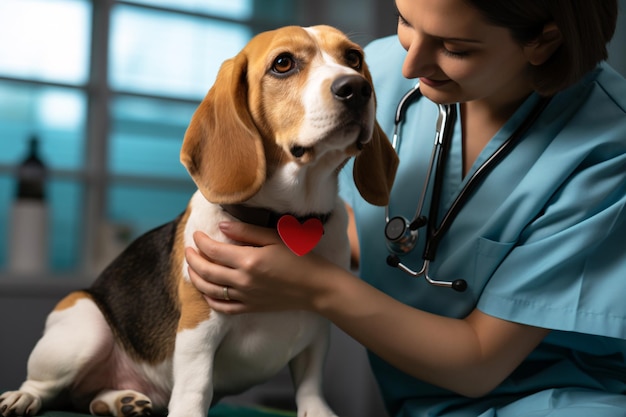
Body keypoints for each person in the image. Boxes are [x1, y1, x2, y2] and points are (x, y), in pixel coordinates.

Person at [184, 0, 626, 415]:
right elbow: (376, 229)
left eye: (455, 48)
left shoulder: (607, 146)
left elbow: (480, 364)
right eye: (405, 21)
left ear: (542, 41)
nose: (410, 65)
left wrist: (314, 285)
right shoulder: (359, 70)